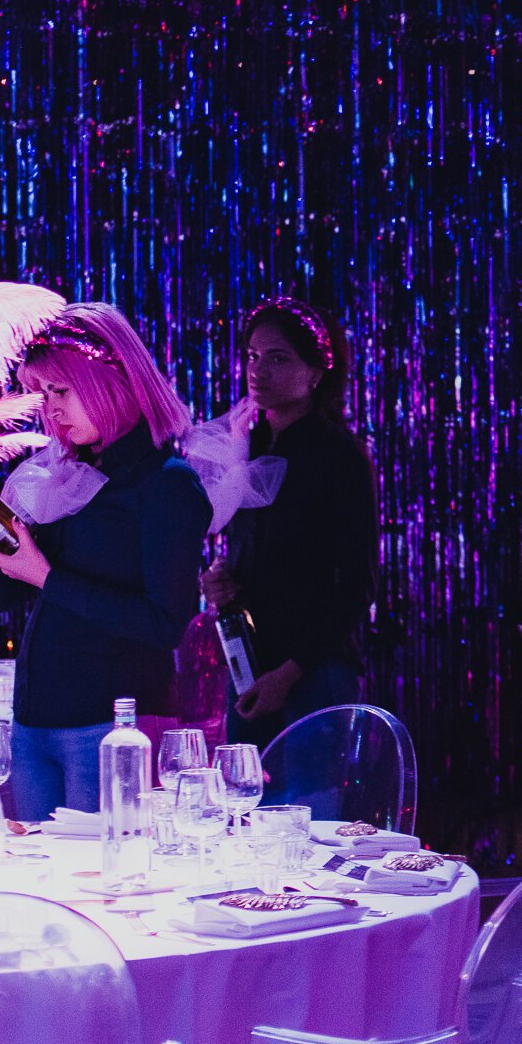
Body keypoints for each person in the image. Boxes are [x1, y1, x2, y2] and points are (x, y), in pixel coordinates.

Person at [0, 304, 211, 820]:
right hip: (34, 720)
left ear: (111, 380)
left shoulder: (167, 483)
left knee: (104, 872)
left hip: (116, 726)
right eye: (43, 395)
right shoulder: (66, 474)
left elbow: (165, 624)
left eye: (61, 390)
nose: (51, 410)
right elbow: (3, 593)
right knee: (36, 870)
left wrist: (45, 575)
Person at [204, 297, 379, 749]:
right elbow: (253, 548)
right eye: (253, 356)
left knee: (310, 795)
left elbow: (356, 584)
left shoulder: (339, 456)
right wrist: (221, 578)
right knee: (242, 791)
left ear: (315, 373)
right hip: (248, 661)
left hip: (314, 671)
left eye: (278, 358)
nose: (258, 370)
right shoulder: (248, 446)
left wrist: (290, 672)